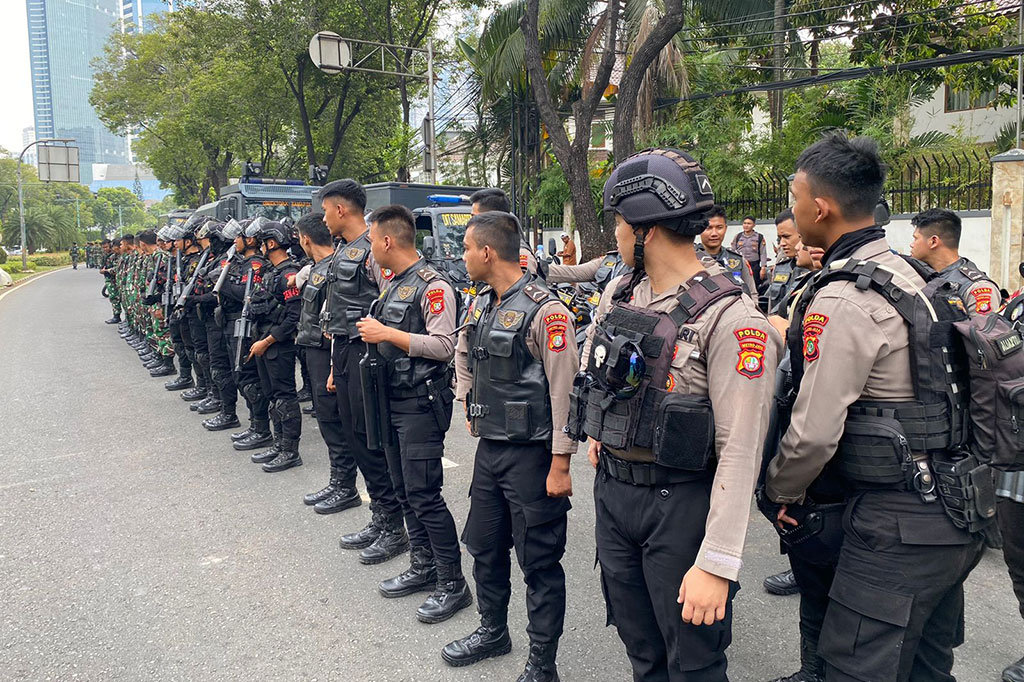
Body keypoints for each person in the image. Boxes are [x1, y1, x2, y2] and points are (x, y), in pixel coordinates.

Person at [763, 133, 986, 682]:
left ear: (820, 207)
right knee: (926, 669)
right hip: (955, 506)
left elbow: (814, 432)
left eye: (794, 198)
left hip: (898, 524)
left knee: (852, 666)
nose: (792, 210)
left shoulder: (844, 297)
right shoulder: (912, 275)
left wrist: (780, 490)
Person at [573, 148, 779, 681]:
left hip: (681, 504)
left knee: (692, 662)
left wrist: (717, 561)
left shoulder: (731, 318)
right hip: (615, 495)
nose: (615, 236)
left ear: (645, 229)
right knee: (641, 647)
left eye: (618, 224)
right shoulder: (622, 293)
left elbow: (742, 446)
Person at [443, 211, 577, 681]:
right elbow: (462, 352)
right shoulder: (480, 303)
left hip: (533, 454)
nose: (462, 257)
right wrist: (467, 399)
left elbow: (564, 390)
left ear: (487, 252)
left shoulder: (547, 310)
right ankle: (493, 630)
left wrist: (561, 461)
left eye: (465, 249)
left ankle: (543, 662)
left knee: (539, 561)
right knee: (484, 546)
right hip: (491, 451)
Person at [357, 204, 472, 623]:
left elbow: (444, 346)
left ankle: (453, 584)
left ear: (387, 241)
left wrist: (388, 334)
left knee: (424, 494)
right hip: (390, 399)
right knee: (404, 491)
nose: (369, 249)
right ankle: (424, 566)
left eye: (371, 241)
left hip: (420, 404)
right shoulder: (393, 284)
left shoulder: (432, 285)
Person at [320, 179, 408, 565]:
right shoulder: (343, 250)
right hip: (345, 353)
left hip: (368, 354)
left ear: (341, 209)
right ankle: (381, 516)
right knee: (355, 435)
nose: (323, 219)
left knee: (373, 438)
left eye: (326, 210)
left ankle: (394, 525)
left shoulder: (372, 251)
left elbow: (391, 306)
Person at [293, 213, 362, 514]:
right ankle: (338, 481)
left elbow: (337, 320)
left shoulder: (334, 268)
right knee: (326, 420)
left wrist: (334, 365)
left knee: (334, 421)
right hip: (313, 351)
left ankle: (345, 486)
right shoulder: (317, 269)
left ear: (306, 238)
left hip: (327, 353)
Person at [215, 221, 273, 453]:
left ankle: (262, 429)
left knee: (249, 378)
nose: (234, 241)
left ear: (250, 240)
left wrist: (223, 281)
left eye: (238, 237)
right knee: (241, 376)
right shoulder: (240, 262)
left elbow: (245, 294)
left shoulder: (256, 264)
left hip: (246, 325)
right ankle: (254, 425)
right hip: (232, 322)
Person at [909, 207, 1002, 316]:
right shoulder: (919, 274)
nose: (911, 244)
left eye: (916, 238)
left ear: (933, 241)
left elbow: (984, 331)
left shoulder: (977, 288)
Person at [470, 188, 538, 274]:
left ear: (492, 218)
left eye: (475, 217)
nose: (471, 223)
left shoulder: (518, 255)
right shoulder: (490, 248)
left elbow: (522, 285)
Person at [698, 206, 756, 294]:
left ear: (725, 228)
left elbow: (752, 292)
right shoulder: (691, 259)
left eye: (719, 227)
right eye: (708, 228)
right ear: (699, 229)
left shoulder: (738, 260)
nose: (714, 233)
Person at [765, 210, 808, 316]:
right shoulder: (781, 267)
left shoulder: (816, 269)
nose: (782, 244)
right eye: (780, 238)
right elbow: (768, 303)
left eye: (787, 237)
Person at [732, 215, 768, 288]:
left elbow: (763, 253)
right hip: (740, 266)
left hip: (754, 266)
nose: (746, 225)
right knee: (740, 285)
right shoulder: (738, 236)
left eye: (749, 223)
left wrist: (763, 268)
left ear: (754, 225)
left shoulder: (759, 237)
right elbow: (733, 251)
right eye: (744, 223)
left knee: (754, 286)